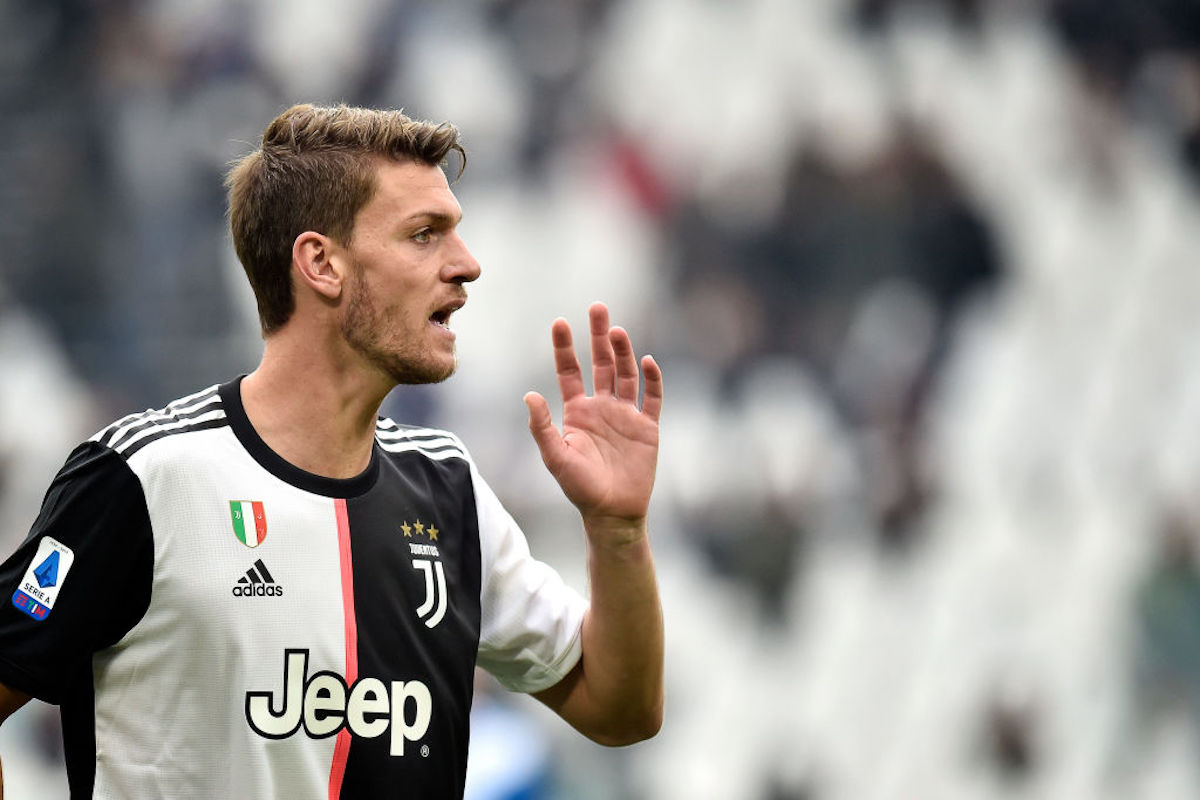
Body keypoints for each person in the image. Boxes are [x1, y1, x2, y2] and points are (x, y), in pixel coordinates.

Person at [0, 103, 664, 798]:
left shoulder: (450, 493)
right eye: (423, 235)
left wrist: (617, 533)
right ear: (321, 263)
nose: (466, 266)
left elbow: (620, 709)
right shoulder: (145, 478)